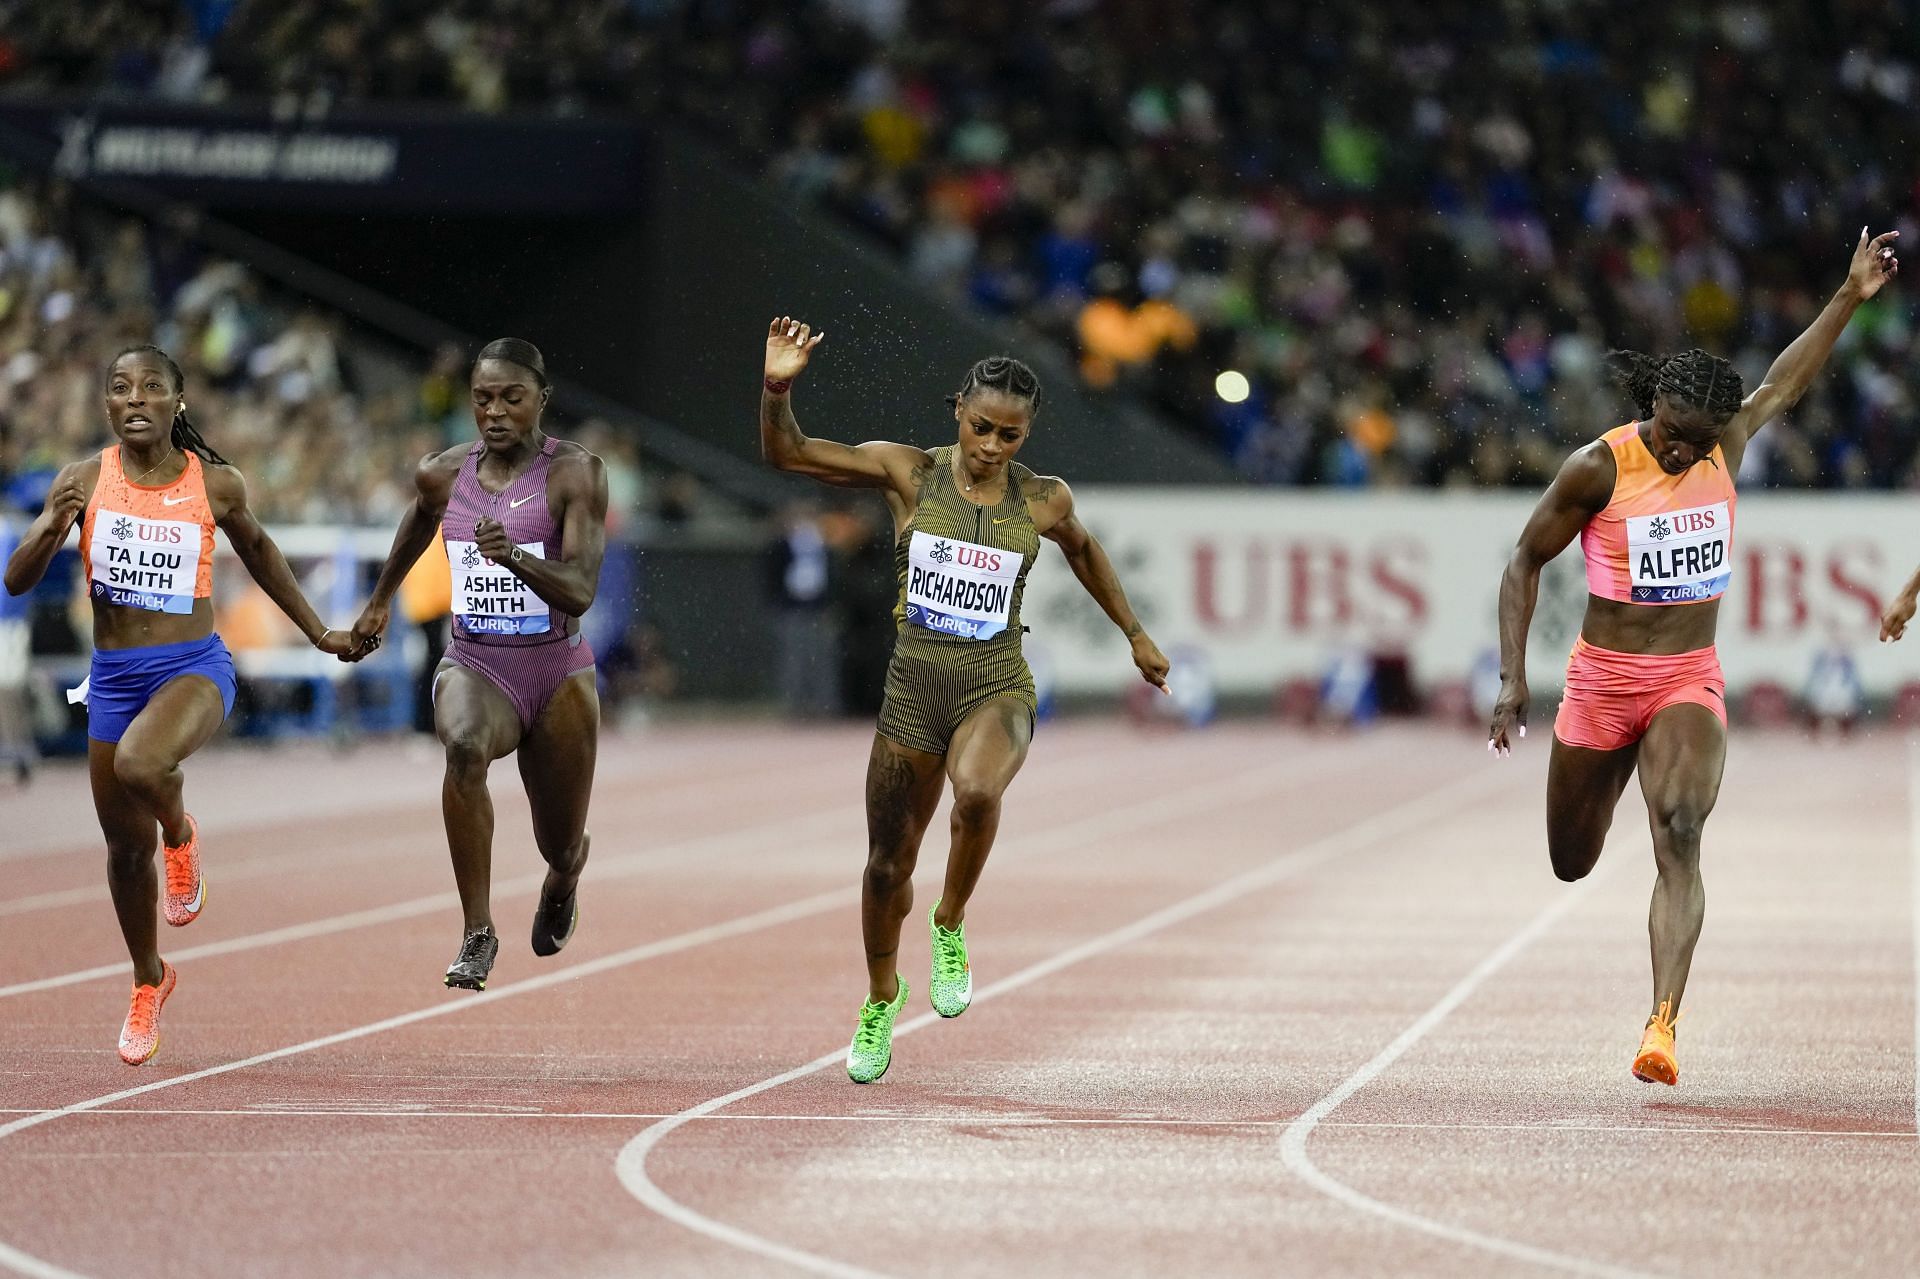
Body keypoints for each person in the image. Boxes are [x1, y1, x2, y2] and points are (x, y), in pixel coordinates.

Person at [1489, 229, 1899, 1086]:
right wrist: (1512, 678)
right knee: (1573, 858)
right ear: (1654, 411)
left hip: (1686, 678)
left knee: (1679, 832)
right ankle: (1593, 820)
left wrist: (1849, 295)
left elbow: (1785, 379)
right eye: (1674, 436)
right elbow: (1525, 560)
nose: (1684, 453)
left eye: (1698, 441)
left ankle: (1662, 1025)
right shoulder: (1597, 468)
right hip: (1602, 681)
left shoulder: (1725, 442)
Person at [758, 316, 1171, 1083]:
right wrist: (779, 386)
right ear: (958, 410)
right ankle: (882, 998)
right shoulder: (907, 472)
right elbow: (787, 451)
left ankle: (949, 920)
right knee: (886, 867)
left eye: (1010, 436)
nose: (992, 446)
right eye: (982, 427)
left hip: (994, 683)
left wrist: (1135, 634)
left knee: (977, 792)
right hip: (913, 687)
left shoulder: (1042, 498)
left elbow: (1083, 548)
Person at [2, 345, 360, 1065]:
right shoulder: (81, 479)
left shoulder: (215, 485)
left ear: (178, 402)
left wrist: (320, 631)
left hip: (194, 666)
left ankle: (180, 830)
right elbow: (15, 582)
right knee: (122, 853)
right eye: (120, 387)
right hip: (114, 676)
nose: (134, 398)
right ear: (106, 404)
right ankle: (149, 977)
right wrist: (49, 527)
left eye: (151, 387)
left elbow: (260, 554)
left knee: (143, 761)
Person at [345, 338, 607, 992]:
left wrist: (515, 555)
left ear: (541, 400)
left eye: (511, 398)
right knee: (462, 746)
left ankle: (566, 875)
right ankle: (478, 930)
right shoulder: (444, 472)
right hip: (475, 661)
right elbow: (417, 520)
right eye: (482, 398)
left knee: (560, 840)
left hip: (555, 671)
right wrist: (380, 601)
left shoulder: (574, 474)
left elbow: (580, 589)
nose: (494, 412)